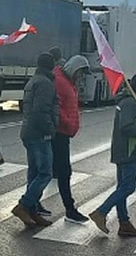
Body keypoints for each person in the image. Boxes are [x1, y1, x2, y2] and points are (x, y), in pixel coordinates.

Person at [88, 75, 136, 237]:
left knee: (122, 187)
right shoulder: (131, 103)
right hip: (128, 151)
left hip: (122, 150)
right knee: (128, 187)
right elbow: (127, 127)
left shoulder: (126, 101)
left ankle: (124, 223)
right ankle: (101, 212)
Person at [12, 53, 60, 227]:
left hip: (29, 131)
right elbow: (41, 110)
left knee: (33, 173)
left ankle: (32, 211)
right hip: (39, 133)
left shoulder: (34, 80)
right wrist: (50, 129)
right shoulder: (46, 83)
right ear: (52, 66)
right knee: (45, 173)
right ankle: (24, 205)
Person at [52, 55, 90, 223]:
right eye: (80, 73)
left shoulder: (67, 81)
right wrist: (67, 123)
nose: (81, 77)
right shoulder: (61, 82)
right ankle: (70, 209)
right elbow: (57, 107)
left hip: (63, 132)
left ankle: (32, 203)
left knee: (48, 171)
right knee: (63, 171)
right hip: (59, 132)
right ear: (74, 69)